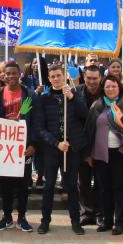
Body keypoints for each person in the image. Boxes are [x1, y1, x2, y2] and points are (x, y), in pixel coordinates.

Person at [32, 63, 88, 235]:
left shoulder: (74, 96)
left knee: (71, 185)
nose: (56, 79)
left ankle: (75, 221)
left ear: (64, 77)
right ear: (49, 79)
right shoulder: (44, 99)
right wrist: (56, 143)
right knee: (49, 185)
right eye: (53, 76)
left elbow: (85, 115)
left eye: (59, 75)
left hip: (71, 148)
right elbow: (40, 127)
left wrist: (72, 97)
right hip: (52, 148)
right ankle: (45, 221)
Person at [84, 75, 123, 235]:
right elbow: (89, 131)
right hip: (101, 154)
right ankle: (107, 220)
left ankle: (119, 222)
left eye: (113, 86)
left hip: (120, 153)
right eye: (107, 86)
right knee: (104, 189)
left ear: (119, 88)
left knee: (119, 189)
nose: (110, 89)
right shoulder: (97, 106)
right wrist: (88, 153)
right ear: (103, 89)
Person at [0, 61, 37, 232]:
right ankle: (7, 217)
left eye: (14, 73)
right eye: (7, 73)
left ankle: (22, 217)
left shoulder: (29, 95)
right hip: (5, 148)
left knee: (23, 184)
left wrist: (33, 144)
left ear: (20, 75)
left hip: (24, 147)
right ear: (2, 76)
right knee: (5, 184)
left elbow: (35, 122)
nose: (11, 76)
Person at [76, 64, 104, 225]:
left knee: (101, 182)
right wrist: (86, 152)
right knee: (84, 182)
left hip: (102, 145)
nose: (92, 82)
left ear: (100, 78)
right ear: (84, 78)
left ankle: (101, 212)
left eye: (95, 78)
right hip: (82, 145)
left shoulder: (107, 93)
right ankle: (87, 212)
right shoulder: (76, 93)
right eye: (89, 78)